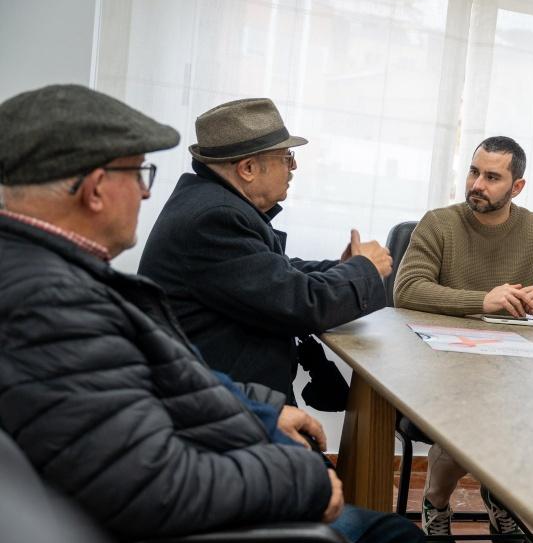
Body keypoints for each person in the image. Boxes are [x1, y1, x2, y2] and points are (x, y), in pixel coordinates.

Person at [0, 84, 476, 543]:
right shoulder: (51, 304)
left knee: (397, 537)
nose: (147, 195)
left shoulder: (53, 271)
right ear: (99, 189)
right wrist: (298, 478)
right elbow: (158, 483)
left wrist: (262, 412)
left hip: (201, 478)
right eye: (138, 174)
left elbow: (162, 386)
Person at [393, 135, 533, 543]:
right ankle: (437, 502)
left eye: (492, 177)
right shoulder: (439, 223)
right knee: (472, 408)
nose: (477, 184)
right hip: (443, 363)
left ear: (517, 187)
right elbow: (407, 289)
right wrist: (482, 300)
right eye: (474, 171)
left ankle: (500, 495)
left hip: (513, 367)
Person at [138, 97, 392, 404]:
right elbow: (303, 303)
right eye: (286, 156)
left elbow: (276, 271)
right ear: (247, 168)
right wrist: (365, 268)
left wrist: (343, 268)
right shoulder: (215, 219)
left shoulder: (210, 203)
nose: (294, 165)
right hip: (222, 412)